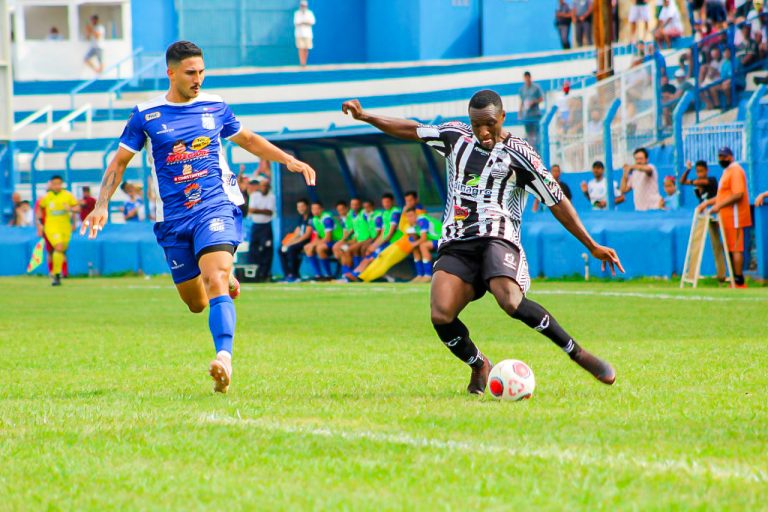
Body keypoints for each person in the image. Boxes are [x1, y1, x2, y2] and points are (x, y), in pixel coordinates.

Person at [342, 90, 623, 394]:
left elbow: (556, 201)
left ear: (503, 117)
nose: (483, 132)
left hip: (498, 238)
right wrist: (366, 116)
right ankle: (478, 364)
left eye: (490, 124)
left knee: (510, 301)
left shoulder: (522, 155)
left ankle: (577, 353)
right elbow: (412, 129)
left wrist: (591, 244)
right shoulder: (455, 137)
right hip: (458, 241)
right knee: (441, 314)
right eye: (477, 125)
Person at [81, 41, 316, 393]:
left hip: (215, 205)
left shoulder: (216, 106)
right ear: (171, 72)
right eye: (191, 73)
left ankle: (224, 358)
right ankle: (226, 281)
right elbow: (119, 163)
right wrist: (101, 204)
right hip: (173, 219)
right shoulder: (145, 115)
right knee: (196, 302)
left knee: (216, 278)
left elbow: (248, 139)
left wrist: (287, 160)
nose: (198, 79)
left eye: (202, 71)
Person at [696, 147, 752, 288]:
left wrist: (719, 206)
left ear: (731, 157)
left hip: (736, 215)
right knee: (729, 249)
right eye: (720, 156)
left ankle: (739, 281)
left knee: (736, 248)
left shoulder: (736, 171)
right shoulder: (727, 172)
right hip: (726, 217)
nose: (722, 159)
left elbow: (738, 194)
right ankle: (734, 279)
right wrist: (707, 203)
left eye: (724, 156)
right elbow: (722, 196)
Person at [36, 176, 79, 286]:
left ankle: (59, 273)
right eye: (54, 184)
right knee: (58, 247)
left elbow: (77, 208)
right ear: (51, 184)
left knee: (61, 250)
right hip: (51, 227)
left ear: (62, 184)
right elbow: (39, 209)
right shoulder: (46, 197)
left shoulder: (68, 195)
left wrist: (70, 210)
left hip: (65, 227)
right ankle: (56, 275)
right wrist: (40, 224)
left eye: (59, 183)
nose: (56, 186)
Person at [304, 201, 341, 280]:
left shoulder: (327, 219)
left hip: (337, 241)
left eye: (317, 209)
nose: (314, 211)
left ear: (322, 209)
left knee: (320, 248)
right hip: (327, 241)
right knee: (307, 247)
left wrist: (315, 244)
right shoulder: (314, 220)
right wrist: (312, 244)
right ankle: (318, 275)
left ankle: (328, 275)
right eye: (313, 209)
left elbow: (328, 238)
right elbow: (316, 237)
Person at [248, 178, 276, 282]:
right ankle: (254, 274)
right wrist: (261, 211)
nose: (264, 188)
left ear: (269, 187)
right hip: (256, 225)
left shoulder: (272, 197)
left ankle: (265, 274)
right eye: (262, 185)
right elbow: (251, 210)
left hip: (266, 226)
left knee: (267, 250)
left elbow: (269, 212)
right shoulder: (254, 195)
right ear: (260, 186)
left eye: (266, 186)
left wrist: (256, 210)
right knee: (254, 249)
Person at [404, 208, 442, 283]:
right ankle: (419, 275)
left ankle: (428, 275)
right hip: (433, 241)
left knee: (423, 245)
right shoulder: (413, 225)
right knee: (415, 247)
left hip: (442, 239)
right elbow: (413, 238)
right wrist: (412, 240)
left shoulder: (421, 220)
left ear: (416, 215)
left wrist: (413, 244)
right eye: (407, 216)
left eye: (411, 215)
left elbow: (423, 238)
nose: (409, 218)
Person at [279, 198, 312, 282]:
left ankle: (295, 275)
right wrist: (287, 243)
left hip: (308, 241)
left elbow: (307, 235)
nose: (300, 208)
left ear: (307, 207)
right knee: (280, 249)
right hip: (300, 241)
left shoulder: (310, 217)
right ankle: (287, 274)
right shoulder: (301, 218)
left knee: (291, 249)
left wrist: (292, 244)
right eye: (298, 207)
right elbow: (296, 233)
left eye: (302, 206)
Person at [519, 71, 544, 149]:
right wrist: (519, 113)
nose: (526, 79)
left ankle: (538, 150)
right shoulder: (522, 89)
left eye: (528, 78)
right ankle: (530, 149)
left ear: (530, 77)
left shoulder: (536, 88)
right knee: (529, 135)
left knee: (537, 135)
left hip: (535, 115)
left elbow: (541, 99)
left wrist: (534, 102)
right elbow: (522, 102)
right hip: (527, 116)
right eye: (525, 78)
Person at [294, 1, 316, 67]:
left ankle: (304, 62)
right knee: (300, 48)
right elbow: (296, 23)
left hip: (308, 34)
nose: (303, 7)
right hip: (299, 34)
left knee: (306, 48)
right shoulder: (297, 13)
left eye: (304, 6)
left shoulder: (310, 13)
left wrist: (303, 22)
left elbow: (312, 22)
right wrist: (305, 22)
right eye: (302, 5)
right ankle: (302, 63)